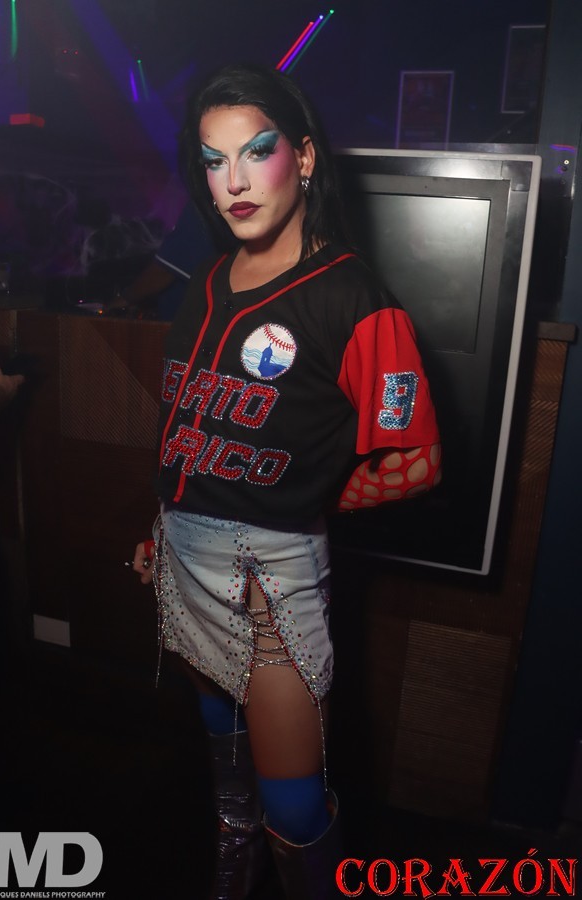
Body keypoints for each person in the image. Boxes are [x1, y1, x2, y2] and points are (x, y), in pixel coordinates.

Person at [131, 63, 441, 900]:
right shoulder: (204, 283)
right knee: (226, 772)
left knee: (295, 807)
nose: (232, 182)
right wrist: (160, 525)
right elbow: (190, 424)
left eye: (255, 152)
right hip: (183, 557)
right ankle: (233, 877)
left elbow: (415, 462)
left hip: (268, 584)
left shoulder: (353, 298)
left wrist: (296, 503)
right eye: (213, 160)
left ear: (302, 158)